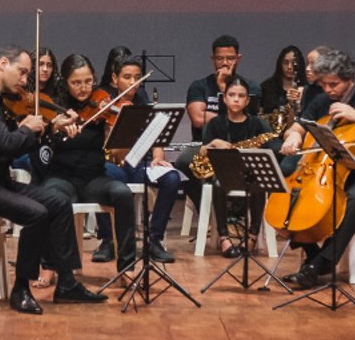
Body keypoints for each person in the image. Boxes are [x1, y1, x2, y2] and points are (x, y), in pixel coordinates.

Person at [0, 45, 106, 313]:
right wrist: (26, 127)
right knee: (36, 213)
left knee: (57, 201)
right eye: (22, 73)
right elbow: (6, 144)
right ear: (2, 64)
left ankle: (67, 283)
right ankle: (21, 287)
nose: (25, 80)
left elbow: (20, 143)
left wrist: (49, 128)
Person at [278, 46, 355, 290]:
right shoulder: (322, 100)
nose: (328, 90)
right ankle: (316, 259)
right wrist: (293, 136)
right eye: (324, 84)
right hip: (327, 173)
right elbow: (300, 126)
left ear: (349, 78)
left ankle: (319, 265)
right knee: (292, 201)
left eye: (333, 84)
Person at [35, 54, 140, 270]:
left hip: (94, 178)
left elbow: (120, 156)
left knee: (123, 194)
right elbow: (41, 142)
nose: (84, 88)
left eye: (88, 81)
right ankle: (49, 267)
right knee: (49, 199)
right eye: (76, 82)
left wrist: (123, 129)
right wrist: (55, 127)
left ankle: (127, 267)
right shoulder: (54, 107)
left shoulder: (103, 106)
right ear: (65, 82)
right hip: (62, 178)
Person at [177, 73, 282, 257]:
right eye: (232, 95)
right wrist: (214, 144)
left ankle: (252, 235)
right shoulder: (215, 124)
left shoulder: (258, 124)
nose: (236, 100)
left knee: (258, 185)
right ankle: (223, 238)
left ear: (248, 100)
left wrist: (258, 149)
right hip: (223, 174)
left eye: (241, 96)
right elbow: (202, 151)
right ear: (224, 98)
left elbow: (273, 147)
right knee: (218, 184)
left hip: (250, 174)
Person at [102, 55, 182, 263]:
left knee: (172, 177)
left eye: (137, 77)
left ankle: (154, 240)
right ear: (114, 78)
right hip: (114, 165)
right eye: (127, 77)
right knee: (99, 176)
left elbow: (157, 138)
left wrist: (157, 157)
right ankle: (108, 241)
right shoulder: (105, 105)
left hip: (141, 164)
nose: (132, 83)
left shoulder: (144, 104)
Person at [186, 35, 259, 134]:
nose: (225, 63)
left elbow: (251, 123)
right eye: (219, 58)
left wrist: (223, 87)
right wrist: (236, 118)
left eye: (230, 58)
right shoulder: (199, 86)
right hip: (205, 144)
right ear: (213, 59)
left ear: (238, 58)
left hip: (240, 144)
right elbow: (198, 120)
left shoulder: (251, 86)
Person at [259, 45, 306, 117]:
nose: (289, 67)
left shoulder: (307, 88)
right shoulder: (266, 87)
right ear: (280, 64)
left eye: (294, 63)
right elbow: (260, 115)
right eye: (285, 63)